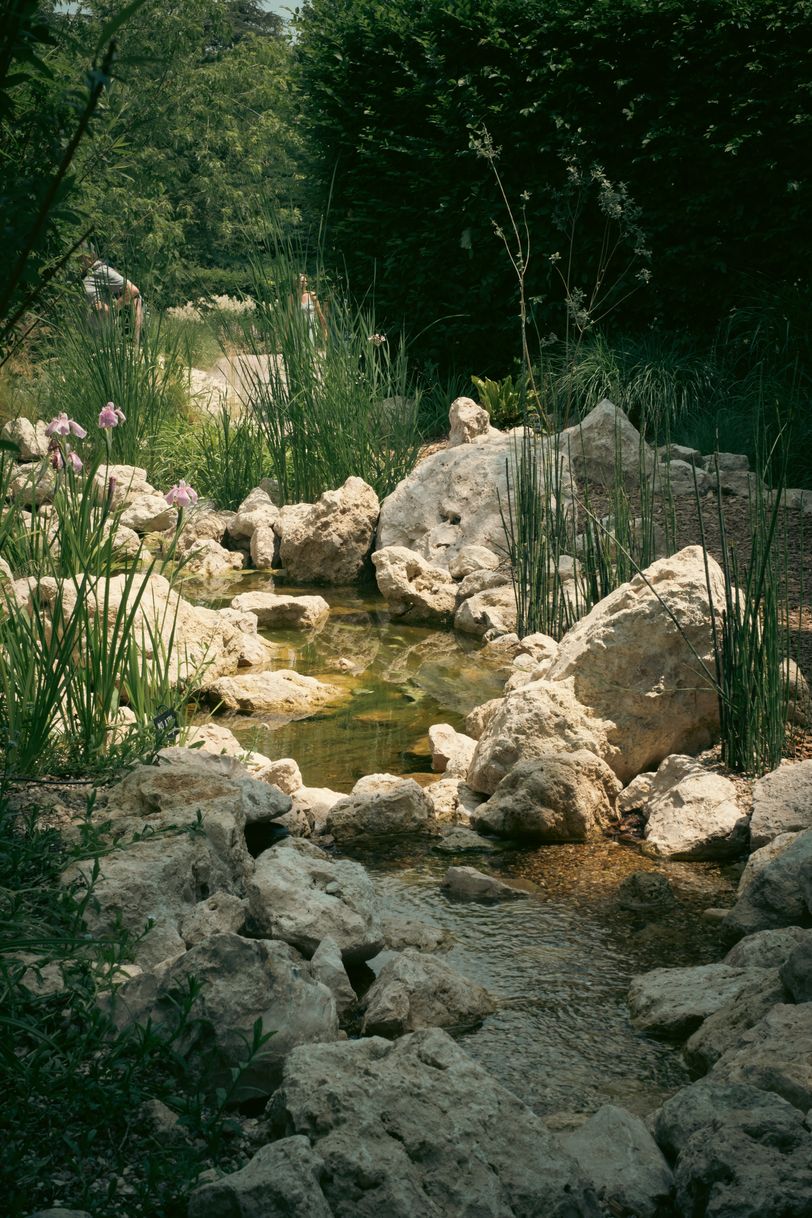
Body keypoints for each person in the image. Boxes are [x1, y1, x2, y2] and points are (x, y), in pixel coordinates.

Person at [80, 253, 143, 343]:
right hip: (86, 336)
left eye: (78, 258)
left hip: (100, 337)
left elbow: (133, 290)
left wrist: (112, 309)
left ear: (87, 257)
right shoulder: (83, 274)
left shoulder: (99, 270)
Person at [297, 273, 327, 343]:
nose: (304, 283)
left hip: (311, 327)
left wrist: (325, 330)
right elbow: (288, 316)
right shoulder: (292, 297)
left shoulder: (312, 295)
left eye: (306, 281)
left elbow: (320, 314)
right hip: (297, 328)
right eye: (302, 281)